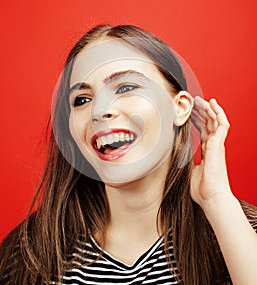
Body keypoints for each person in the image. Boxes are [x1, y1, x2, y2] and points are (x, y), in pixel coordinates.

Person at [0, 24, 257, 285]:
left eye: (125, 88)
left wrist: (216, 200)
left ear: (179, 108)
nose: (99, 110)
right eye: (82, 100)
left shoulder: (240, 230)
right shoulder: (26, 255)